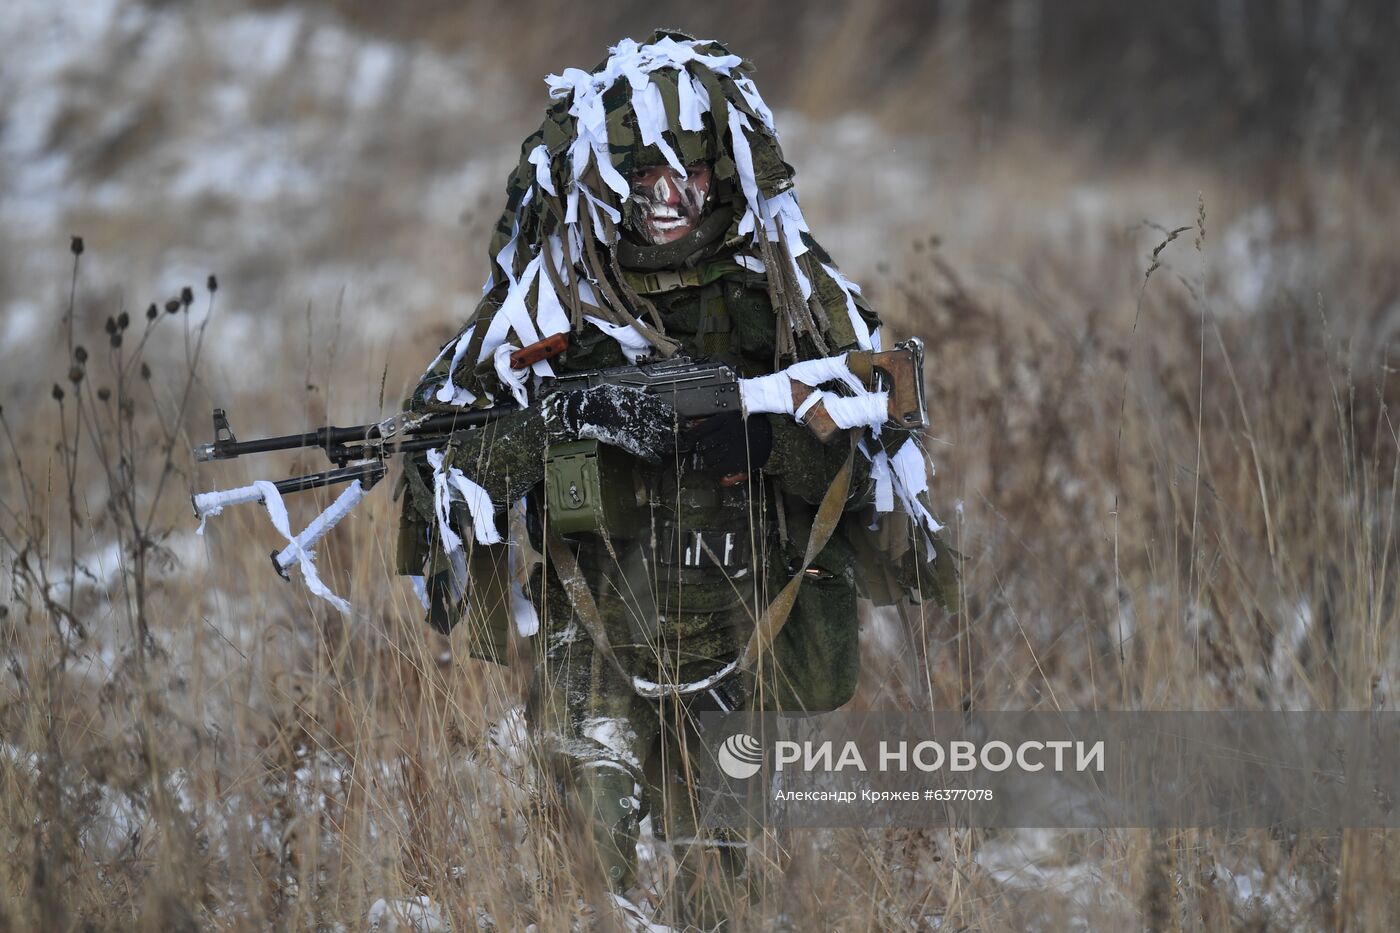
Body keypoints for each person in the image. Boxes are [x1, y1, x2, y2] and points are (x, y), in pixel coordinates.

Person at [394, 30, 955, 927]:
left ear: (722, 175)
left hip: (742, 636)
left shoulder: (779, 299)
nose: (668, 199)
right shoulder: (557, 306)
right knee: (577, 876)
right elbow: (447, 460)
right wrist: (558, 425)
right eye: (645, 178)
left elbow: (866, 450)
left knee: (724, 887)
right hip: (594, 632)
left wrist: (751, 435)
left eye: (687, 175)